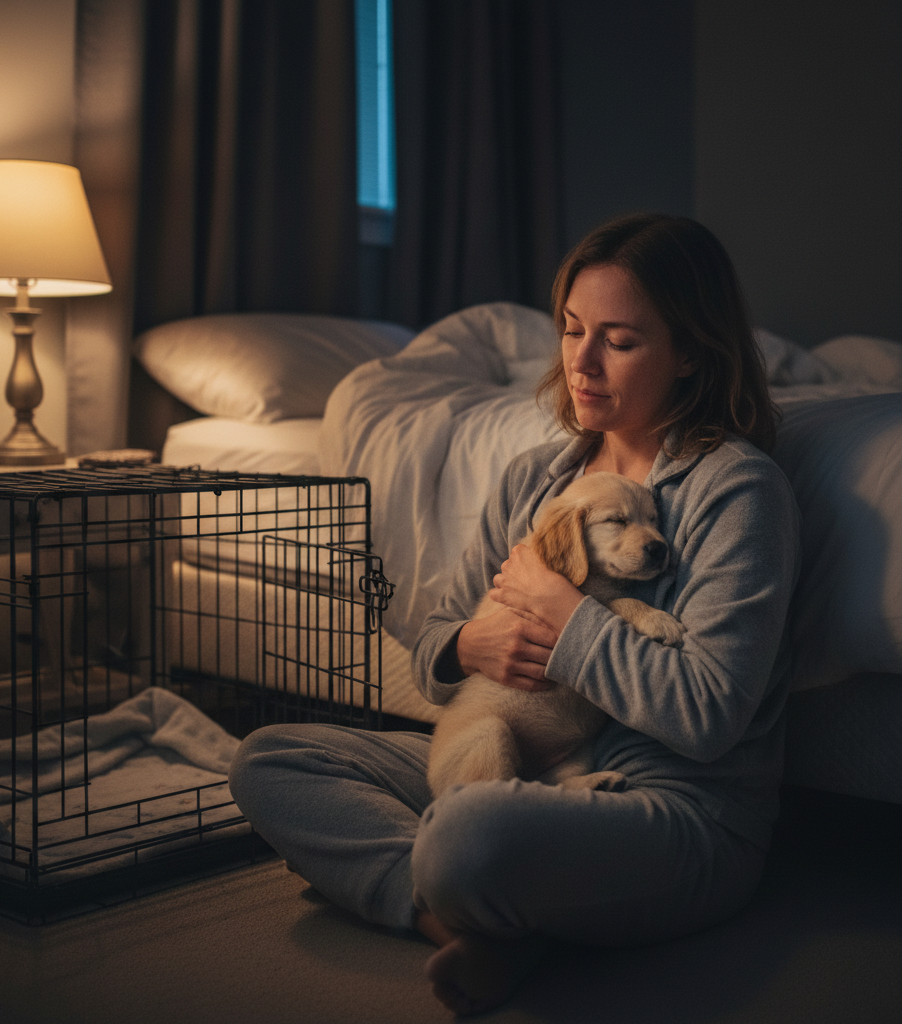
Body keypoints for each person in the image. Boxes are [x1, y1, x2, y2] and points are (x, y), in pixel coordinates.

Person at [228, 213, 801, 1016]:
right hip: (517, 761)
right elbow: (431, 633)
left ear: (692, 351)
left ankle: (465, 883)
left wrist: (566, 619)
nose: (582, 363)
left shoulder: (736, 490)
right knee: (269, 759)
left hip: (670, 807)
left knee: (469, 838)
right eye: (571, 330)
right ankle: (467, 921)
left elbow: (707, 716)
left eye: (621, 340)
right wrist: (471, 641)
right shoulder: (538, 476)